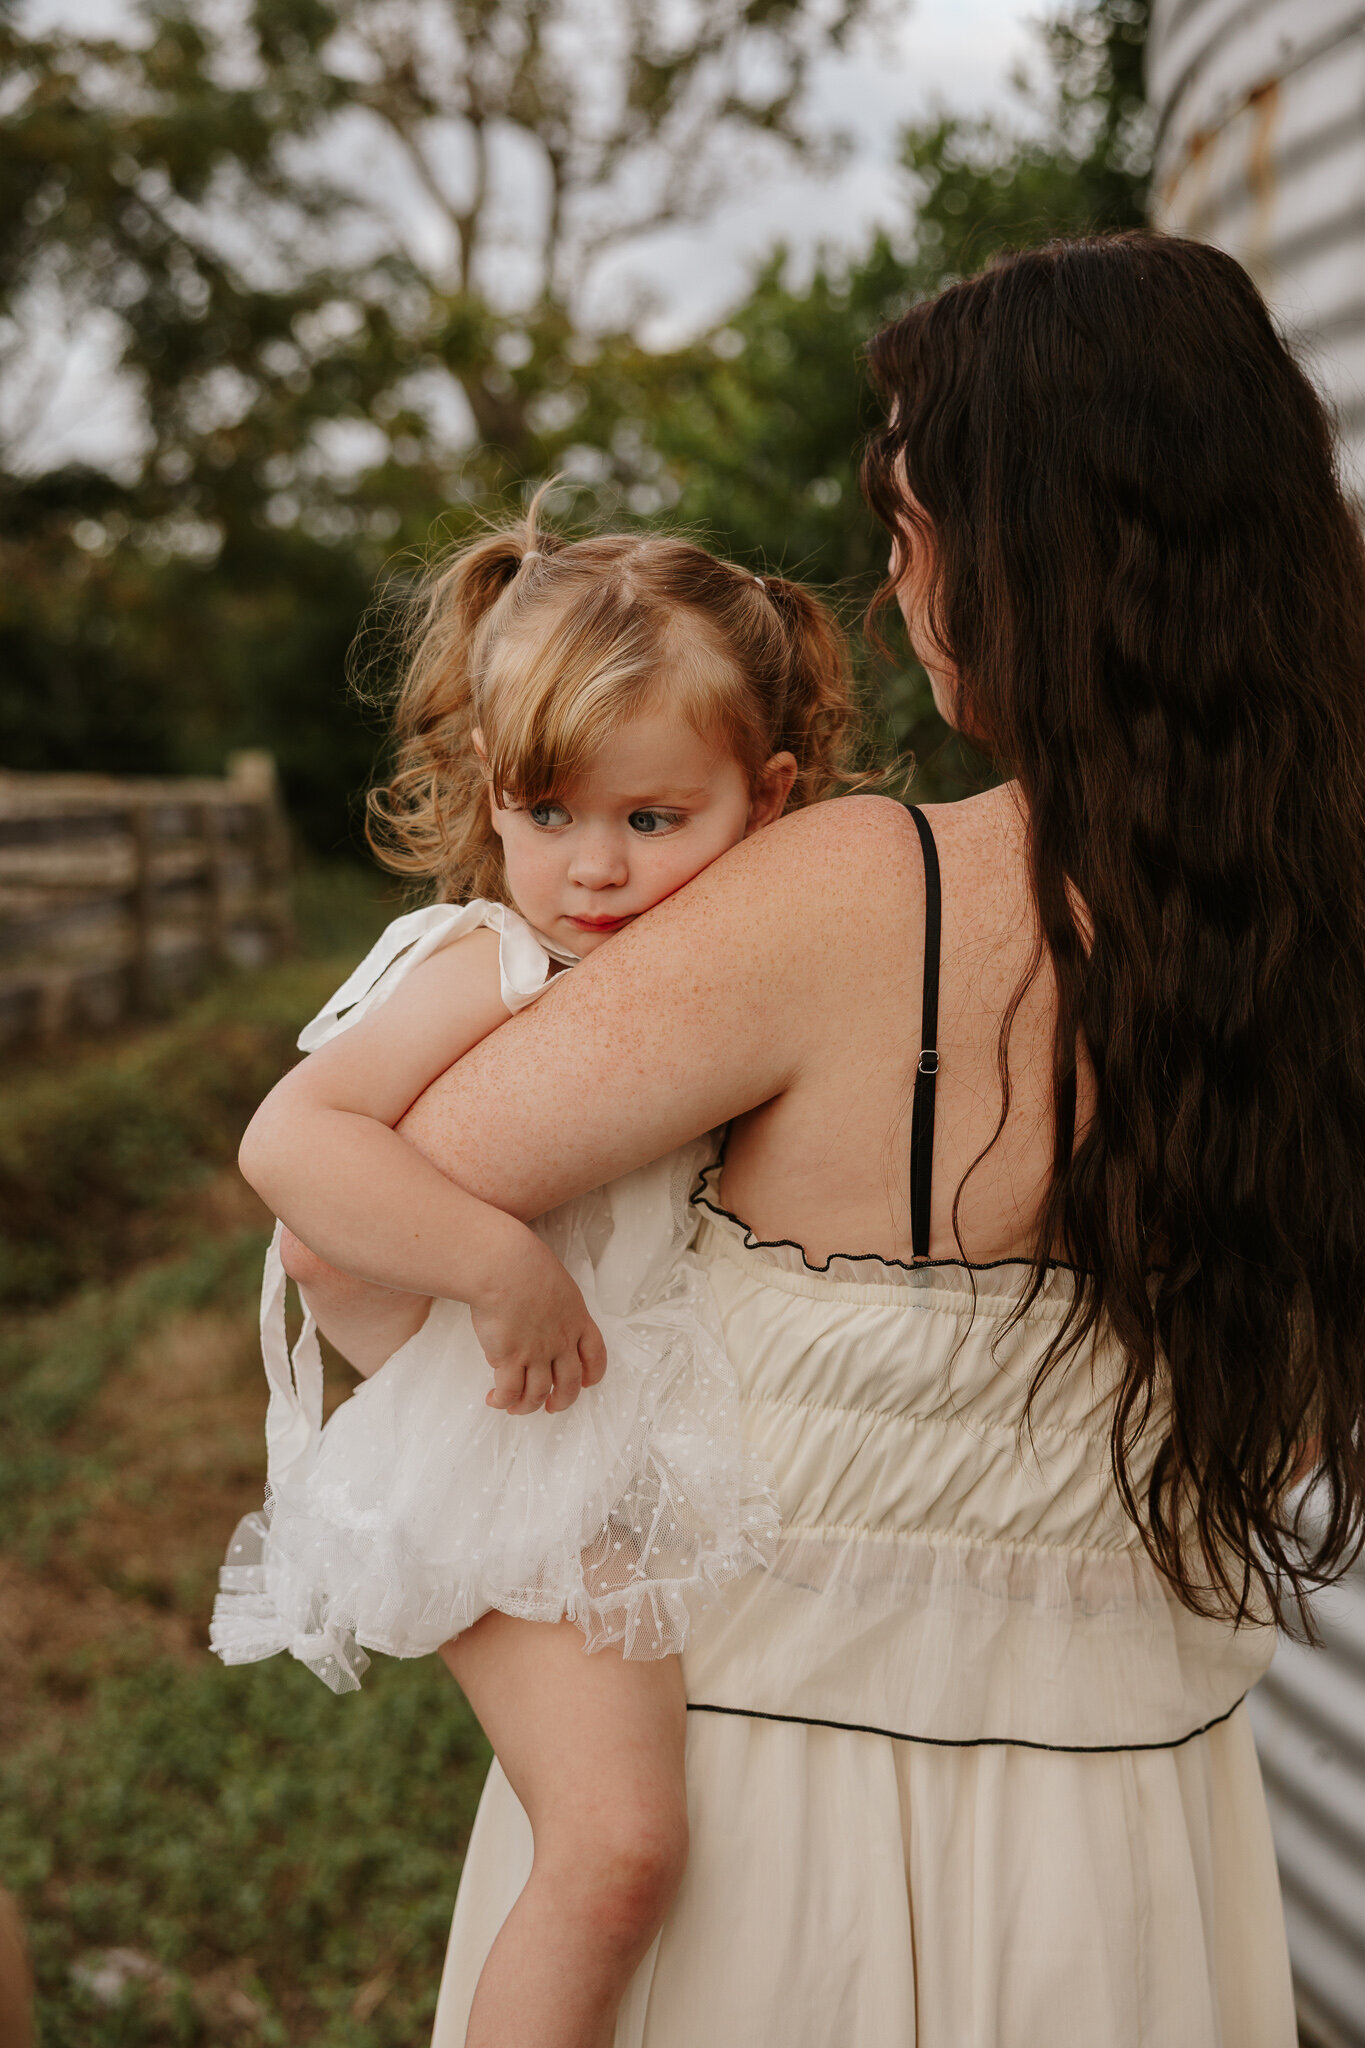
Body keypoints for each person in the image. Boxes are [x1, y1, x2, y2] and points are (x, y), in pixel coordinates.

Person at [273, 232, 1365, 2047]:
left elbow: (337, 1227)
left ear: (1018, 562)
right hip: (1129, 1847)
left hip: (773, 1840)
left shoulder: (867, 891)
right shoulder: (1319, 949)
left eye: (912, 522)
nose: (894, 575)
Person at [219, 505, 862, 2048]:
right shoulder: (489, 962)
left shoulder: (746, 964)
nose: (593, 870)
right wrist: (494, 1264)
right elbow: (292, 1147)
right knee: (618, 1850)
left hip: (639, 1436)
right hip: (510, 1449)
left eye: (654, 820)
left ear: (766, 798)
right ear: (490, 800)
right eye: (550, 813)